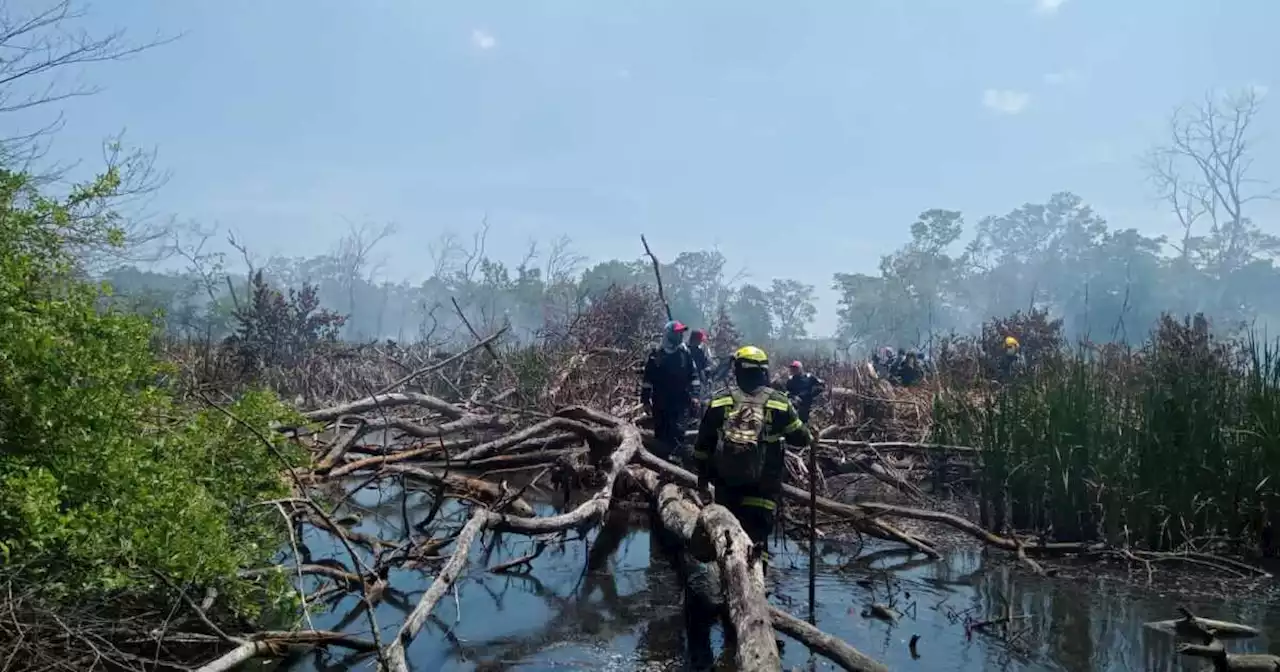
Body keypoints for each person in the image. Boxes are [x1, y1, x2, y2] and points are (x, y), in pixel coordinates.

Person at [690, 345, 810, 576]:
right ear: (763, 372)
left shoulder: (720, 402)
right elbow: (802, 438)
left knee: (727, 538)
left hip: (726, 486)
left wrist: (703, 480)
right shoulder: (779, 403)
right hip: (763, 488)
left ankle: (727, 587)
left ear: (737, 371)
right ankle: (757, 589)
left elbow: (702, 447)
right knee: (758, 541)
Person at [640, 320, 701, 461]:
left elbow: (694, 376)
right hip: (660, 403)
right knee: (661, 435)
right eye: (677, 333)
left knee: (678, 432)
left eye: (681, 333)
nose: (680, 336)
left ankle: (676, 465)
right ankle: (660, 463)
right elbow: (647, 380)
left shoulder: (685, 354)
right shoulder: (656, 355)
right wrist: (645, 400)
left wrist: (695, 396)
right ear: (669, 335)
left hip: (680, 403)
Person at [784, 360, 826, 424]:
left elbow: (821, 385)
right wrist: (794, 397)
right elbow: (787, 392)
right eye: (792, 368)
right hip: (794, 404)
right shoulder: (790, 380)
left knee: (803, 421)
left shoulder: (808, 377)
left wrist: (812, 395)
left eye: (795, 368)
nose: (793, 370)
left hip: (807, 404)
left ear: (800, 369)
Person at [688, 329, 713, 394]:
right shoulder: (685, 351)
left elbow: (705, 365)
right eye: (699, 340)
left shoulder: (699, 351)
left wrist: (708, 377)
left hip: (699, 381)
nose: (700, 342)